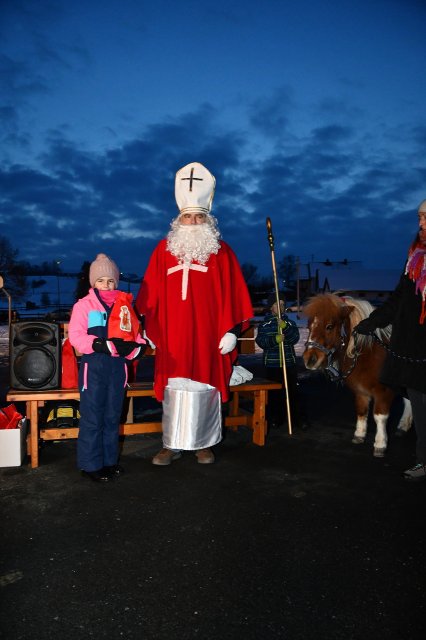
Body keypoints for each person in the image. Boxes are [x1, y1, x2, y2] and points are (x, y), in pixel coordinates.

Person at [135, 161, 253, 466]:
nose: (193, 221)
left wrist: (232, 331)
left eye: (199, 216)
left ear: (208, 221)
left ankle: (204, 443)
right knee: (176, 386)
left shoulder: (221, 252)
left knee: (204, 385)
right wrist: (149, 326)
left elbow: (235, 293)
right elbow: (149, 291)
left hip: (208, 334)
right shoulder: (163, 250)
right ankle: (170, 443)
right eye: (187, 217)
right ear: (178, 220)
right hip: (173, 333)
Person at [353, 199, 426, 481]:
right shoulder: (415, 260)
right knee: (420, 408)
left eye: (424, 218)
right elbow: (397, 300)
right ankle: (423, 460)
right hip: (413, 348)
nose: (420, 224)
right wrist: (372, 322)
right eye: (419, 218)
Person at [68, 253, 146, 482]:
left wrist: (137, 349)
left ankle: (109, 461)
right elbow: (76, 337)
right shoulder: (84, 306)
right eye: (101, 280)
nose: (106, 284)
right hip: (94, 368)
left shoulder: (125, 306)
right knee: (93, 417)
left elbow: (136, 336)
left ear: (116, 282)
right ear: (93, 283)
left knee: (112, 417)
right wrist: (98, 344)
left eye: (110, 280)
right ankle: (90, 465)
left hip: (117, 369)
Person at [256, 292, 308, 431]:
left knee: (292, 392)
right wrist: (274, 340)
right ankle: (276, 418)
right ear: (270, 307)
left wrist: (285, 327)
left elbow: (295, 338)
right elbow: (261, 341)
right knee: (274, 394)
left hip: (288, 363)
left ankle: (297, 418)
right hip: (272, 364)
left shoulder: (289, 323)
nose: (280, 307)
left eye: (283, 304)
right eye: (277, 304)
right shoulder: (265, 324)